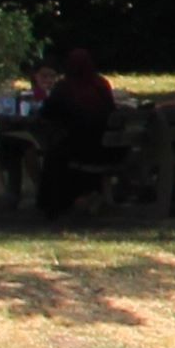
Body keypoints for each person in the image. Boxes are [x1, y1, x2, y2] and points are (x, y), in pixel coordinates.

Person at [28, 46, 119, 219]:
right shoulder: (101, 84)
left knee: (54, 154)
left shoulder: (66, 87)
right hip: (109, 147)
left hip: (79, 149)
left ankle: (53, 205)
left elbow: (47, 113)